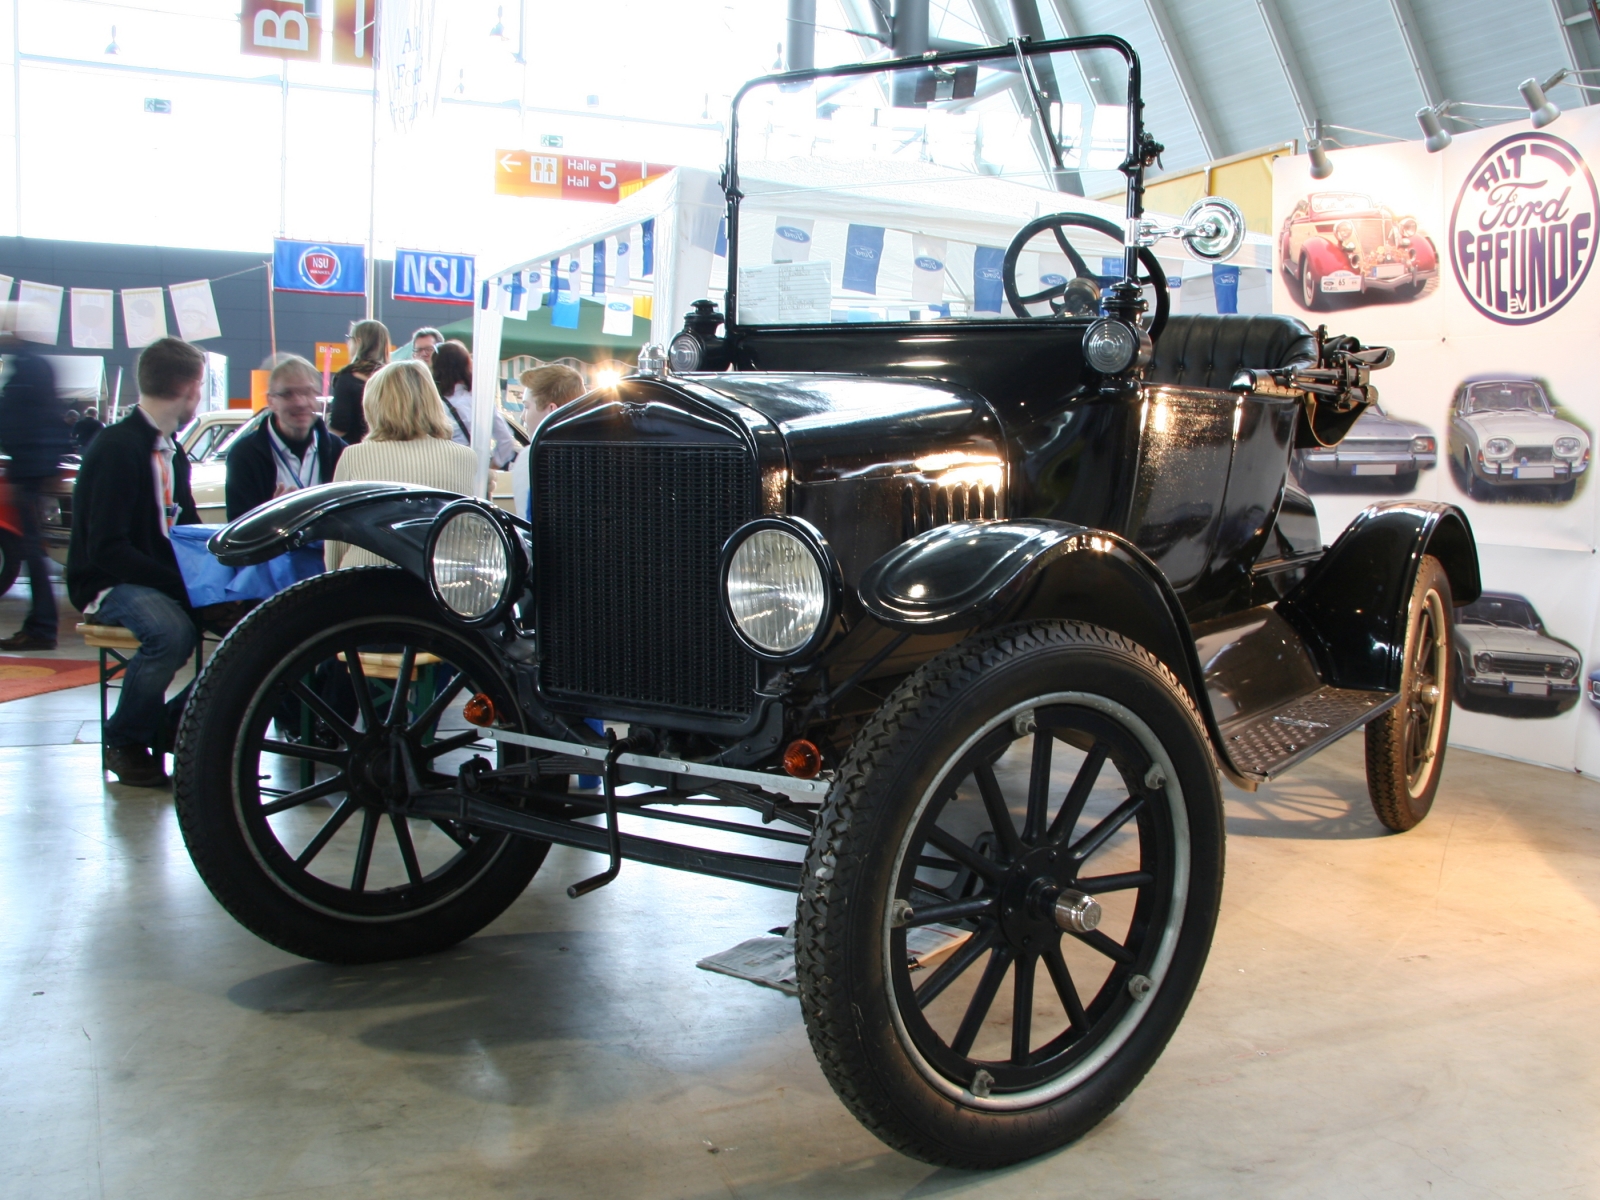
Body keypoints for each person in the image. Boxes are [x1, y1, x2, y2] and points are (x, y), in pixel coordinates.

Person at [66, 337, 204, 787]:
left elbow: (185, 528)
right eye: (199, 388)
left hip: (151, 578)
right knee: (170, 632)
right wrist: (176, 584)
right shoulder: (116, 449)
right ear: (188, 388)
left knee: (251, 621)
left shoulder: (172, 452)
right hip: (107, 582)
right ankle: (125, 739)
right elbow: (107, 549)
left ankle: (170, 726)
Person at [325, 361, 477, 570]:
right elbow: (474, 532)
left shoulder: (354, 456)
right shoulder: (465, 458)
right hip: (438, 581)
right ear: (432, 402)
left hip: (365, 578)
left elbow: (336, 537)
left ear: (374, 404)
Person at [0, 313, 73, 650]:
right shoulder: (40, 366)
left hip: (28, 469)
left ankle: (42, 627)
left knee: (32, 550)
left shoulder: (24, 369)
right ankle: (40, 625)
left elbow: (16, 421)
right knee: (34, 551)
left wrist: (18, 469)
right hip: (38, 467)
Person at [225, 354, 346, 520]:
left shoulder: (340, 452)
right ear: (271, 401)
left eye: (307, 392)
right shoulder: (244, 455)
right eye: (288, 394)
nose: (300, 402)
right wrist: (269, 516)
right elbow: (237, 530)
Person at [510, 364, 587, 522]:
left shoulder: (533, 457)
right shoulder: (600, 455)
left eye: (526, 407)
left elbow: (528, 527)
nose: (523, 416)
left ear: (552, 410)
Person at [430, 340, 517, 472]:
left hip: (446, 475)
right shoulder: (481, 402)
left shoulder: (434, 405)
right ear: (466, 366)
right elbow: (506, 441)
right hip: (476, 475)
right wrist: (490, 468)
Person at [326, 319, 390, 444]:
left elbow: (339, 427)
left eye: (350, 338)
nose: (347, 343)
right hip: (389, 452)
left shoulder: (347, 379)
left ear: (359, 342)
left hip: (354, 452)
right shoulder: (395, 378)